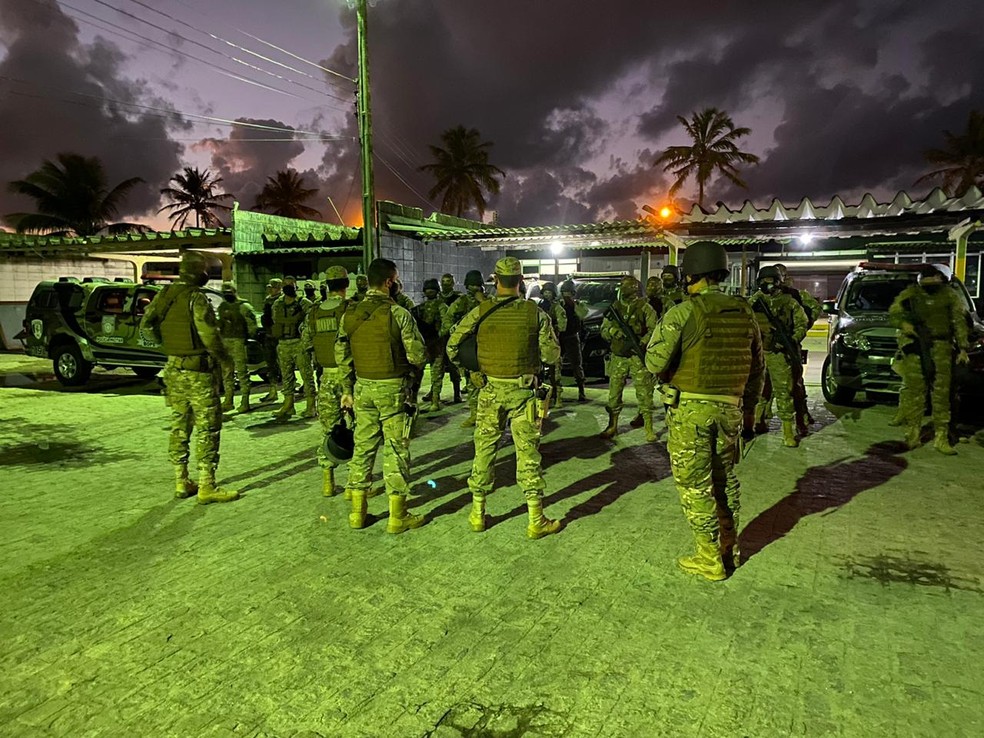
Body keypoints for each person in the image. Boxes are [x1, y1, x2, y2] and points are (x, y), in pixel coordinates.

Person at [645, 241, 764, 580]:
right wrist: (750, 411)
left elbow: (654, 362)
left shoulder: (684, 312)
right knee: (724, 481)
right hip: (730, 410)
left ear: (690, 275)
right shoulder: (745, 312)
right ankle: (729, 549)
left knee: (695, 484)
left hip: (691, 413)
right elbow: (758, 369)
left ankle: (708, 558)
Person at [447, 257, 562, 539]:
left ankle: (477, 514)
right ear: (521, 281)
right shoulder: (535, 313)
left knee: (484, 450)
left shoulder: (480, 311)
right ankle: (536, 520)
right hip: (524, 393)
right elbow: (551, 355)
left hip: (490, 391)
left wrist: (472, 370)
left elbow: (452, 346)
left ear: (495, 280)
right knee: (528, 453)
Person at [140, 251, 239, 504]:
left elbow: (146, 326)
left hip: (174, 369)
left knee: (180, 424)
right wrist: (225, 359)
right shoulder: (196, 298)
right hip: (198, 372)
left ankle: (181, 480)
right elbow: (208, 335)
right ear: (199, 272)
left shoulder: (165, 294)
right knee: (208, 426)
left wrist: (170, 347)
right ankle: (207, 485)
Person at [336, 258, 427, 533]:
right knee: (396, 449)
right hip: (392, 389)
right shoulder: (398, 314)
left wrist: (347, 390)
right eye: (396, 280)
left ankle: (357, 513)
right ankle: (397, 517)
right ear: (389, 282)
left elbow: (342, 355)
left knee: (363, 447)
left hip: (362, 388)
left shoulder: (350, 314)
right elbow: (417, 355)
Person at [889, 266, 970, 454]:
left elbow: (958, 320)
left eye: (933, 278)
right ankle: (913, 434)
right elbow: (894, 312)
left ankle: (941, 437)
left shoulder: (949, 295)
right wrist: (904, 324)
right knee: (915, 393)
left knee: (941, 395)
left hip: (942, 348)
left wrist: (963, 347)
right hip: (917, 347)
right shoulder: (911, 293)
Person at [748, 266, 808, 447]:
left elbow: (802, 324)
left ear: (777, 282)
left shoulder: (789, 302)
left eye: (770, 281)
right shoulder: (754, 301)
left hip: (779, 354)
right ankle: (757, 422)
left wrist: (792, 340)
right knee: (759, 391)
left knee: (784, 391)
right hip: (759, 353)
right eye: (763, 281)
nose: (766, 285)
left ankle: (788, 431)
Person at [600, 275, 659, 442]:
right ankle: (612, 426)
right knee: (614, 393)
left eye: (631, 287)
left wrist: (643, 341)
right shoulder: (615, 307)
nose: (628, 290)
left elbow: (654, 329)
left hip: (636, 356)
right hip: (619, 356)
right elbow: (604, 329)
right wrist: (613, 332)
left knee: (644, 393)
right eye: (626, 286)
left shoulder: (645, 307)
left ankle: (648, 428)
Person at [309, 266, 350, 495]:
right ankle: (356, 484)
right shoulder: (350, 309)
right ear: (346, 284)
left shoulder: (314, 312)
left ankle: (328, 482)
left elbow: (307, 342)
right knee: (356, 428)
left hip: (326, 376)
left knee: (328, 428)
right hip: (348, 377)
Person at [775, 263, 822, 433]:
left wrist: (799, 331)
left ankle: (801, 418)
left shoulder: (795, 295)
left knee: (794, 384)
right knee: (765, 387)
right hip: (767, 347)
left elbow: (815, 308)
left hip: (789, 346)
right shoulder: (762, 296)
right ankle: (760, 419)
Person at [444, 270, 489, 427]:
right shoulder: (461, 302)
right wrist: (455, 330)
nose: (475, 288)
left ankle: (486, 416)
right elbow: (448, 319)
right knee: (471, 382)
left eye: (477, 285)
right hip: (469, 346)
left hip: (486, 345)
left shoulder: (489, 301)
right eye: (472, 285)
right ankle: (475, 414)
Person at [271, 276, 316, 419]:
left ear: (296, 286)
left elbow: (311, 322)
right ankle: (288, 405)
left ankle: (311, 405)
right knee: (286, 376)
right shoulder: (277, 303)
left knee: (306, 376)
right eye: (285, 285)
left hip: (299, 343)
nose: (288, 287)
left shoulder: (304, 303)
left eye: (291, 285)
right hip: (283, 343)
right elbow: (275, 319)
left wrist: (306, 340)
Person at [216, 281, 258, 413]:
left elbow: (252, 326)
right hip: (226, 341)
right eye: (224, 293)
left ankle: (245, 401)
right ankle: (228, 400)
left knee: (242, 372)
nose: (226, 295)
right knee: (227, 373)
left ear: (234, 291)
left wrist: (247, 338)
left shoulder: (244, 306)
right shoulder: (222, 306)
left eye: (228, 292)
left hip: (239, 341)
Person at [413, 278, 449, 412]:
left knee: (436, 374)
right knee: (418, 374)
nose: (429, 292)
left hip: (437, 344)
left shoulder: (441, 306)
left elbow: (446, 323)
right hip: (425, 343)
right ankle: (415, 400)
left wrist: (438, 335)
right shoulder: (421, 307)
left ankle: (435, 400)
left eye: (432, 289)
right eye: (427, 289)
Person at [435, 273, 464, 404]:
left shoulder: (458, 299)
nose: (446, 284)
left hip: (453, 336)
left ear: (453, 283)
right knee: (437, 366)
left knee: (454, 366)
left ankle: (457, 393)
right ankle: (434, 392)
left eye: (448, 282)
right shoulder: (437, 298)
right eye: (444, 282)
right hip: (439, 337)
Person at [537, 281, 567, 407]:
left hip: (553, 343)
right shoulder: (539, 307)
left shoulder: (557, 308)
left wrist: (552, 327)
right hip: (540, 343)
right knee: (538, 374)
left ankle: (558, 397)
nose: (547, 295)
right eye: (545, 292)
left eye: (549, 292)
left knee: (556, 374)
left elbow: (563, 326)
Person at [559, 280, 588, 401]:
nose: (566, 295)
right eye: (564, 292)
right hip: (560, 337)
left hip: (572, 337)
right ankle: (556, 392)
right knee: (556, 365)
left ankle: (581, 390)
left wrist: (574, 305)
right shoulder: (559, 304)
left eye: (568, 292)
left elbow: (583, 314)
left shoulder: (578, 305)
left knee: (577, 365)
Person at [260, 278, 282, 402]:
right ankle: (273, 390)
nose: (270, 290)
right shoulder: (268, 300)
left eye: (272, 287)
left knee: (285, 365)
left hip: (279, 336)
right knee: (271, 364)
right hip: (269, 335)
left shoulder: (282, 300)